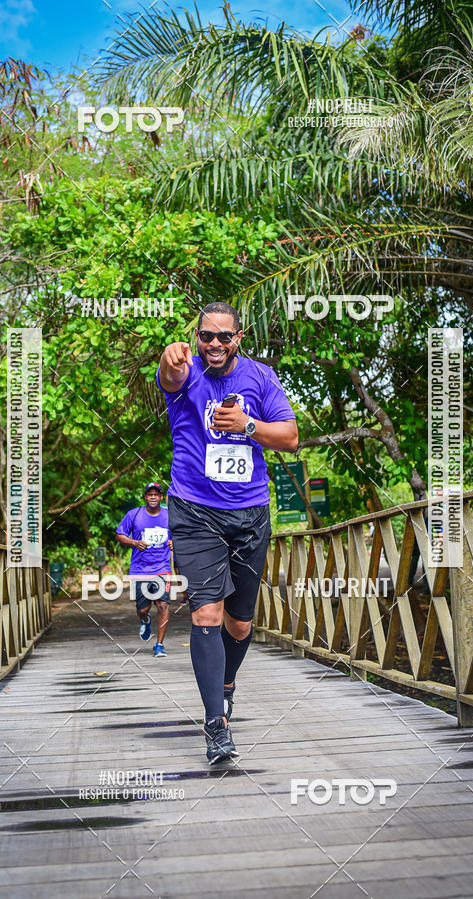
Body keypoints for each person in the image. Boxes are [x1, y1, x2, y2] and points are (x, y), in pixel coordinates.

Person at [157, 302, 298, 763]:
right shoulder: (187, 373)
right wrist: (169, 357)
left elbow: (291, 437)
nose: (214, 344)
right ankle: (215, 724)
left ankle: (228, 682)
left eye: (223, 337)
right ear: (196, 338)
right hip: (195, 512)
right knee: (206, 615)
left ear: (238, 338)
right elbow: (170, 376)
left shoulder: (260, 378)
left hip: (249, 513)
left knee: (240, 622)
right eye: (205, 337)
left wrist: (248, 425)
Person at [115, 483, 172, 657]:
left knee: (162, 605)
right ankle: (145, 620)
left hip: (162, 567)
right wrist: (133, 542)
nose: (153, 497)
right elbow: (119, 534)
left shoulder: (170, 515)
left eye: (156, 494)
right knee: (142, 609)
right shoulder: (134, 514)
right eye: (150, 494)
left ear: (161, 497)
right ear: (145, 497)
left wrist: (174, 542)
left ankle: (159, 645)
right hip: (140, 569)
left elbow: (182, 533)